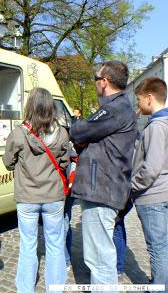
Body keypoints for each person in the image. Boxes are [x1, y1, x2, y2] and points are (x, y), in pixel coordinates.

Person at [69, 61, 137, 288]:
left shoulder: (114, 108)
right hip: (103, 188)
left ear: (105, 81)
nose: (95, 84)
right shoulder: (118, 107)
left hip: (102, 189)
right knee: (100, 257)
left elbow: (79, 130)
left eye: (96, 79)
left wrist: (80, 131)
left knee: (99, 259)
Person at [3, 88, 69, 293]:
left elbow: (8, 162)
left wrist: (24, 166)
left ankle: (25, 289)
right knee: (56, 245)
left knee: (28, 246)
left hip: (27, 196)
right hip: (53, 196)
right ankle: (55, 289)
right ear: (51, 106)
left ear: (29, 106)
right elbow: (65, 162)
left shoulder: (18, 133)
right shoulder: (62, 132)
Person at [131, 77, 168, 290]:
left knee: (158, 248)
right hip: (163, 191)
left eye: (138, 100)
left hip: (152, 195)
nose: (138, 105)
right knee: (163, 247)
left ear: (149, 98)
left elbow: (150, 168)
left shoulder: (156, 126)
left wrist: (132, 186)